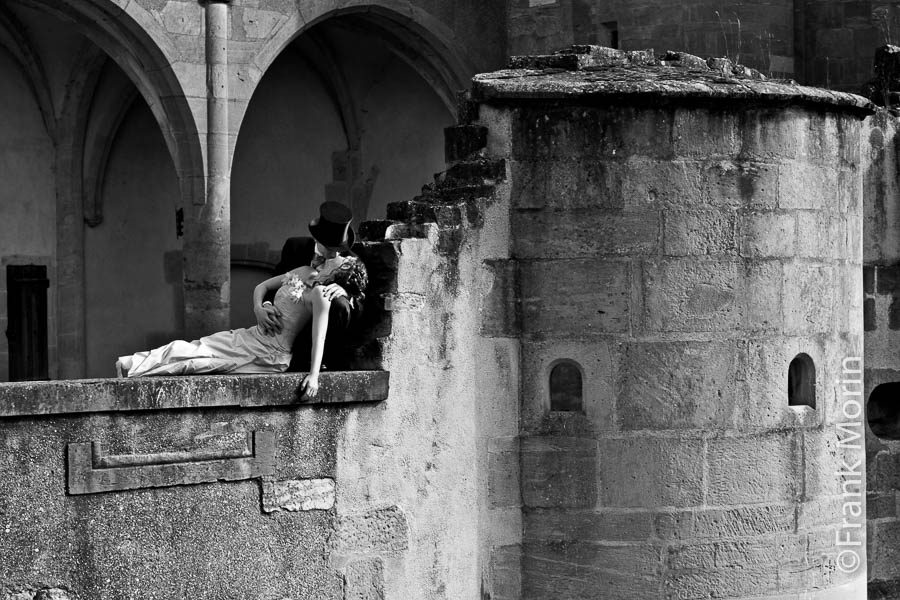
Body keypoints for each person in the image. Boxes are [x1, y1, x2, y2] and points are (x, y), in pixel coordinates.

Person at [115, 201, 367, 399]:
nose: (333, 256)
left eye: (338, 253)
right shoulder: (299, 260)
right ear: (318, 239)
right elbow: (266, 286)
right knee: (197, 346)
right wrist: (261, 307)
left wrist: (345, 294)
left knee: (199, 363)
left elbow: (327, 329)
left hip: (274, 354)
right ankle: (131, 364)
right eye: (330, 249)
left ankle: (135, 371)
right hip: (254, 334)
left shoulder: (334, 283)